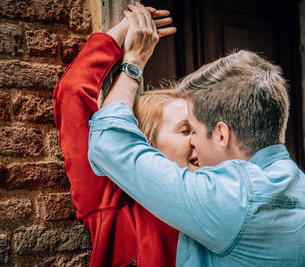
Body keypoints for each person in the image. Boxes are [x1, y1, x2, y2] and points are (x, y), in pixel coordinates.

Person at [87, 3, 305, 266]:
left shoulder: (226, 200)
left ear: (221, 134)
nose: (191, 141)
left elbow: (108, 141)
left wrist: (133, 62)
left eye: (192, 129)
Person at [53, 5, 182, 267]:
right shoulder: (113, 204)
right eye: (185, 130)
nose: (198, 140)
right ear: (148, 142)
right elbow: (73, 93)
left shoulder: (216, 195)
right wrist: (130, 43)